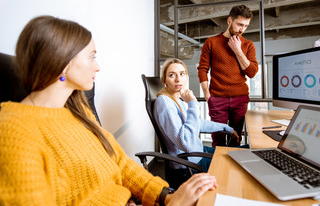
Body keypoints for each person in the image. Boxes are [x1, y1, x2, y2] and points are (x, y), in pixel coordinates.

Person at [0, 15, 218, 206]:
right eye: (92, 56)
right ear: (62, 61)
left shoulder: (78, 110)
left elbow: (121, 163)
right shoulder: (14, 130)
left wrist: (167, 196)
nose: (98, 67)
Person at [153, 58, 239, 172]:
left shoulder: (176, 100)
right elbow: (186, 143)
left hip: (198, 152)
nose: (178, 79)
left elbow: (197, 123)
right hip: (189, 164)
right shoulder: (165, 103)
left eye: (182, 74)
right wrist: (192, 103)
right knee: (239, 162)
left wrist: (226, 128)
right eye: (172, 75)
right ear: (164, 80)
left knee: (243, 152)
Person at [197, 5, 258, 147]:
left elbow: (252, 72)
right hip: (217, 99)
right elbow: (202, 69)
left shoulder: (248, 45)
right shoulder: (211, 42)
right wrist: (207, 96)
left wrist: (238, 50)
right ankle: (217, 170)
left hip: (240, 99)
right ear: (229, 21)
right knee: (218, 140)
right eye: (239, 24)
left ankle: (232, 169)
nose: (242, 29)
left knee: (235, 139)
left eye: (246, 26)